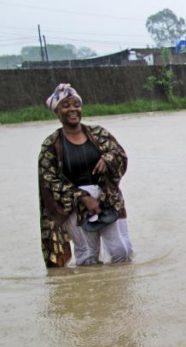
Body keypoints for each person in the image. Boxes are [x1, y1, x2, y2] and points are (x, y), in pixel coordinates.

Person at [37, 83, 133, 267]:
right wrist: (82, 197)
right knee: (87, 256)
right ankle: (94, 292)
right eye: (66, 106)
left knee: (122, 250)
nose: (73, 109)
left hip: (107, 198)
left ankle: (120, 292)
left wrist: (108, 158)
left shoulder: (98, 133)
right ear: (57, 111)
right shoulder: (51, 145)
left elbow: (120, 154)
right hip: (73, 205)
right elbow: (49, 181)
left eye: (76, 105)